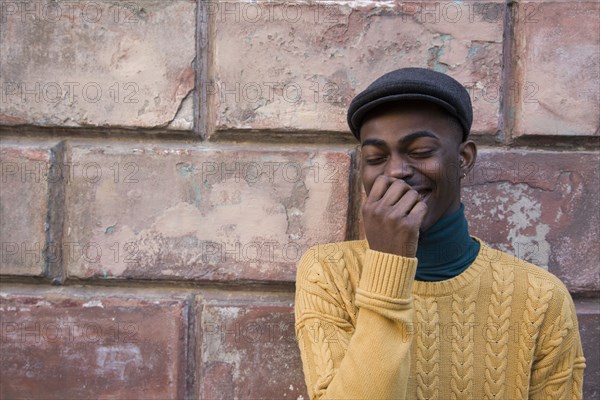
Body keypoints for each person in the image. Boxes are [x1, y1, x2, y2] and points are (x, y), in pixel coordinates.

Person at [294, 68, 585, 399]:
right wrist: (389, 262)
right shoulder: (328, 273)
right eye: (376, 157)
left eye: (419, 151)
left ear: (463, 159)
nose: (396, 171)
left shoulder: (542, 297)